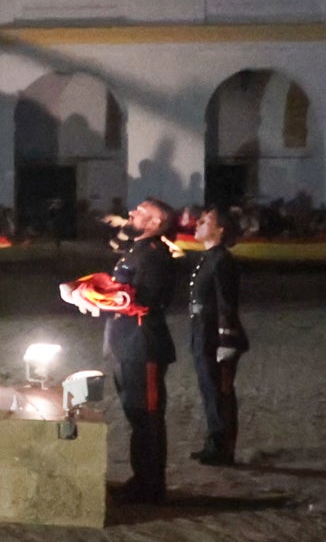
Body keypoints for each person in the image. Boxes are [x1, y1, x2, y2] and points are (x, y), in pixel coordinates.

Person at [62, 198, 180, 503]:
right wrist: (86, 292)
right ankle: (142, 480)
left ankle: (151, 485)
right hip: (126, 345)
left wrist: (90, 293)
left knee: (148, 417)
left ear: (156, 223)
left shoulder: (154, 256)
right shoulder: (137, 251)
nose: (132, 213)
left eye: (142, 212)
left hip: (143, 345)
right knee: (136, 416)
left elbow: (138, 300)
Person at [182, 206, 249, 465]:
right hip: (203, 333)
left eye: (206, 220)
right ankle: (214, 442)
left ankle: (223, 448)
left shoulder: (222, 261)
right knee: (210, 390)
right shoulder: (210, 258)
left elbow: (227, 303)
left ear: (220, 230)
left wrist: (227, 340)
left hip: (215, 338)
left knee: (220, 391)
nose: (198, 223)